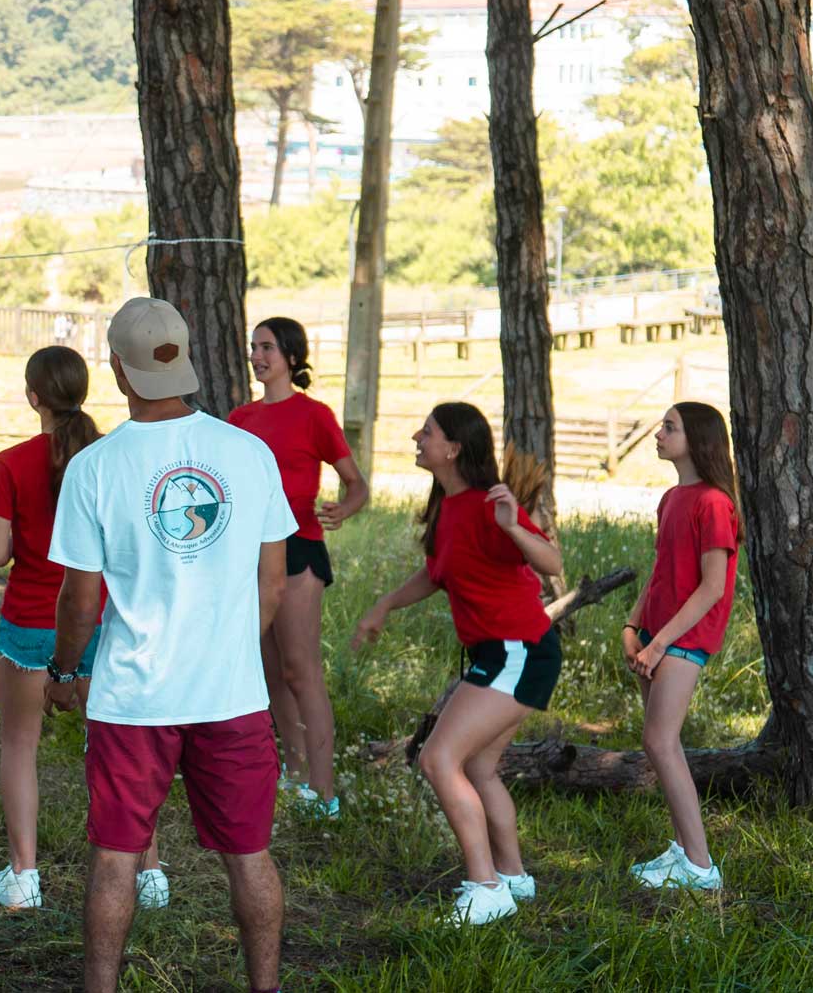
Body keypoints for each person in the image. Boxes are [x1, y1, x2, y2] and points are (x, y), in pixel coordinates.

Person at [45, 298, 297, 993]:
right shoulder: (249, 453)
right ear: (180, 359)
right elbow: (271, 584)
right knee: (250, 855)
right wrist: (226, 652)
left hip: (132, 698)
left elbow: (80, 598)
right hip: (232, 695)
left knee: (116, 859)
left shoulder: (95, 468)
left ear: (119, 372)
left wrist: (65, 669)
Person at [352, 402, 564, 926]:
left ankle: (484, 886)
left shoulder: (491, 505)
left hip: (519, 649)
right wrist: (383, 605)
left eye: (427, 432)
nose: (416, 437)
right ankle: (512, 877)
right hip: (504, 652)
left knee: (437, 760)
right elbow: (438, 573)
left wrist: (514, 527)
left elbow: (552, 564)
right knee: (478, 767)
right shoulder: (449, 507)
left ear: (454, 448)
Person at [0, 347, 166, 911]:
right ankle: (149, 876)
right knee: (120, 751)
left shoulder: (10, 463)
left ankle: (23, 877)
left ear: (34, 396)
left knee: (19, 747)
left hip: (30, 628)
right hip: (106, 622)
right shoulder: (115, 458)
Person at [227, 317, 368, 818]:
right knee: (269, 673)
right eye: (253, 347)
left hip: (300, 550)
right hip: (250, 556)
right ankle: (294, 776)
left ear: (291, 355)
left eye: (266, 347)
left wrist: (342, 510)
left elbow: (357, 485)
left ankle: (324, 792)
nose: (257, 356)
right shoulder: (239, 419)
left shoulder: (315, 415)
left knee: (300, 669)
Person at [621, 401, 740, 892]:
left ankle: (700, 867)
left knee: (659, 741)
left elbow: (712, 587)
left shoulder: (714, 503)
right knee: (659, 743)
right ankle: (681, 850)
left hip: (685, 639)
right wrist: (634, 628)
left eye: (670, 427)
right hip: (656, 636)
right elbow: (660, 573)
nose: (659, 432)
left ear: (699, 439)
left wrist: (660, 644)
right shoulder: (673, 499)